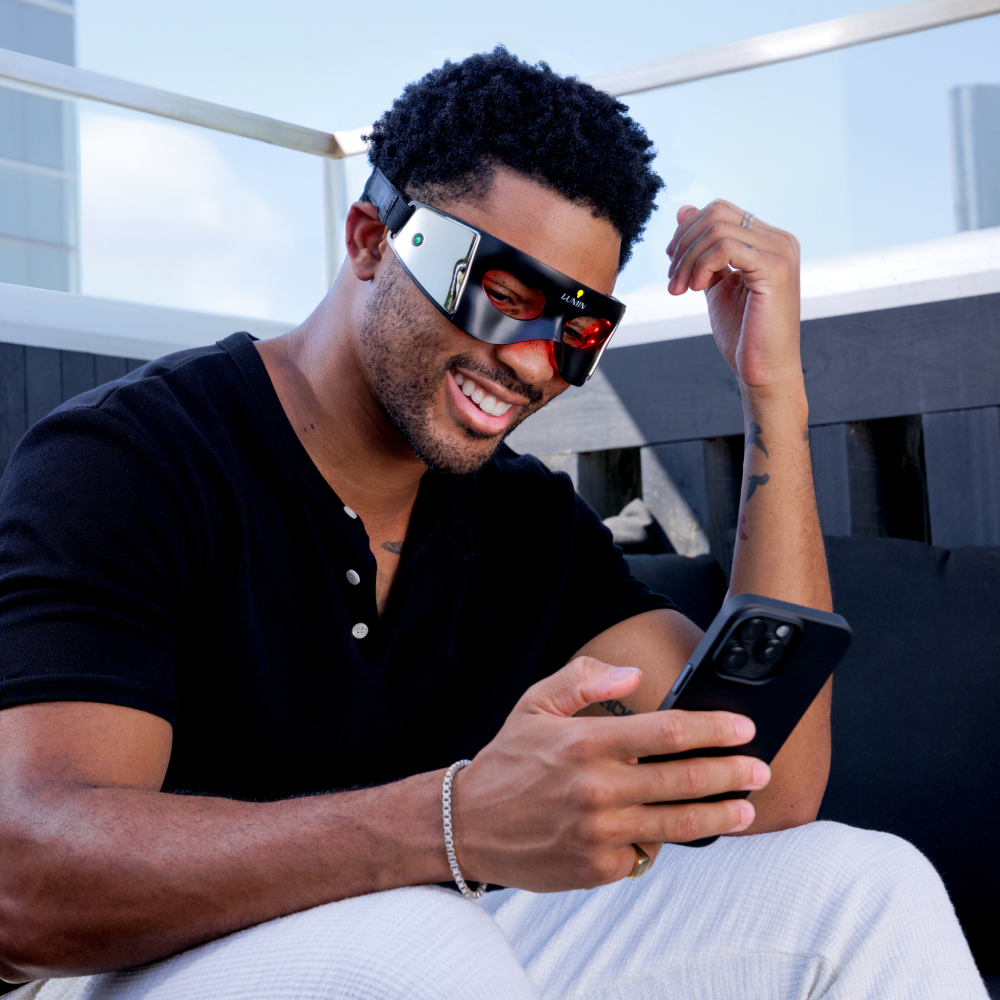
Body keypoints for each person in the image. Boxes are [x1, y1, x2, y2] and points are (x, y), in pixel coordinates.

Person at [0, 48, 986, 1000]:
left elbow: (759, 786)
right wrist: (453, 824)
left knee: (863, 889)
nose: (530, 362)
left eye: (575, 329)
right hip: (141, 958)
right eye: (500, 293)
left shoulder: (522, 517)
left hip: (442, 918)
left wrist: (771, 393)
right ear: (369, 239)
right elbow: (29, 882)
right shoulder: (132, 459)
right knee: (419, 948)